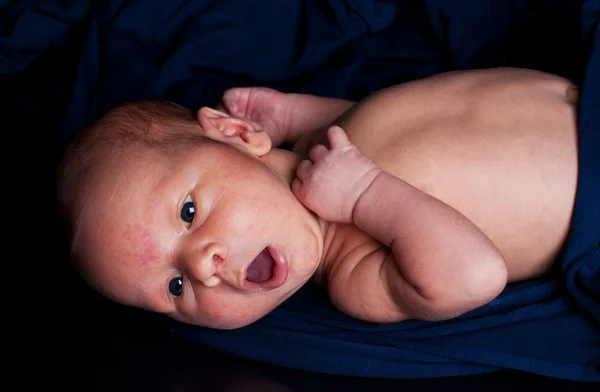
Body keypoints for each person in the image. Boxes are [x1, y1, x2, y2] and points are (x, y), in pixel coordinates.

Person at [56, 67, 579, 329]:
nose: (202, 265)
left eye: (188, 213)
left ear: (240, 134)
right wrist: (365, 195)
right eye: (174, 288)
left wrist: (295, 115)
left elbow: (389, 120)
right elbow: (474, 276)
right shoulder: (352, 272)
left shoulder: (323, 146)